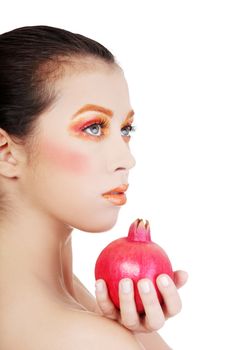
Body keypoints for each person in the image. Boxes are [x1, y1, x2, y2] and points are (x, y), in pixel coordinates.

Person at [0, 25, 188, 350]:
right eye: (93, 127)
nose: (126, 158)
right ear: (6, 152)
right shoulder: (84, 338)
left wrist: (135, 328)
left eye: (125, 128)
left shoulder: (68, 301)